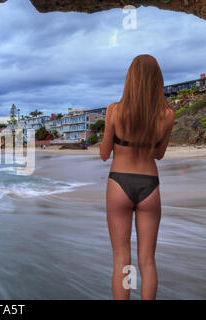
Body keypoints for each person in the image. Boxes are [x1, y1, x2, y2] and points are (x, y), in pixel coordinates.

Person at [99, 54, 175, 300]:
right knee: (147, 260)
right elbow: (159, 154)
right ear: (157, 82)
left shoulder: (114, 110)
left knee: (122, 257)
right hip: (149, 186)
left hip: (119, 183)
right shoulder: (167, 115)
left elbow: (103, 154)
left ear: (130, 79)